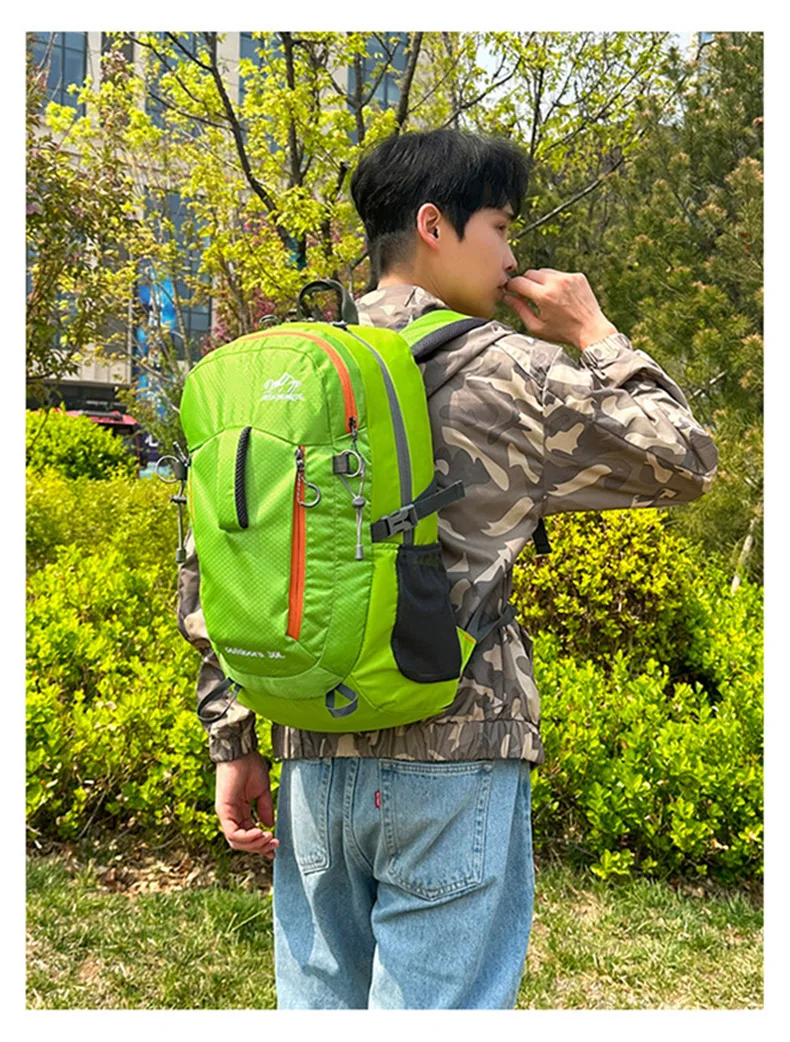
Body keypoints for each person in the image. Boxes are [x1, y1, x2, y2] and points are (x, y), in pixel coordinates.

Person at [176, 128, 718, 1009]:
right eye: (500, 228)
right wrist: (595, 331)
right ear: (435, 225)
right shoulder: (512, 372)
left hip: (312, 746)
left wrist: (233, 740)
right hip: (454, 748)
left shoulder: (286, 371)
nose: (511, 258)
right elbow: (686, 461)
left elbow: (220, 559)